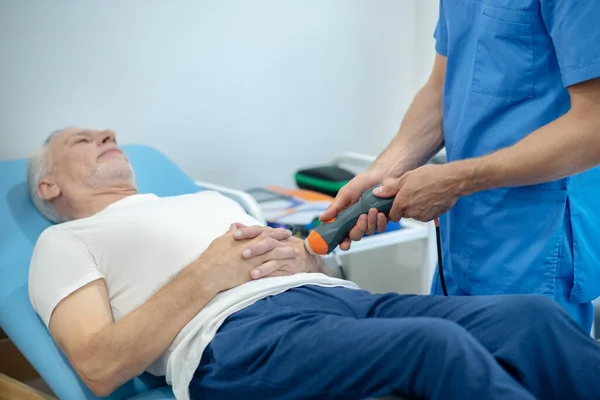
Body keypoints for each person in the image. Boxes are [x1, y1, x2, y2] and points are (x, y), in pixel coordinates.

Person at [28, 127, 600, 400]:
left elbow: (303, 266)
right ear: (49, 184)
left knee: (533, 319)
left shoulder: (202, 200)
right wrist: (208, 273)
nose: (105, 133)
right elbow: (98, 368)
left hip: (339, 304)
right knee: (435, 347)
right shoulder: (64, 243)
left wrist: (304, 255)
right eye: (82, 139)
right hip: (237, 341)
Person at [320, 1, 600, 333]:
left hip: (535, 241)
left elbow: (593, 125)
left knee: (527, 377)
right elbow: (442, 88)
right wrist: (386, 170)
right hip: (464, 231)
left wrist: (456, 180)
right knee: (453, 365)